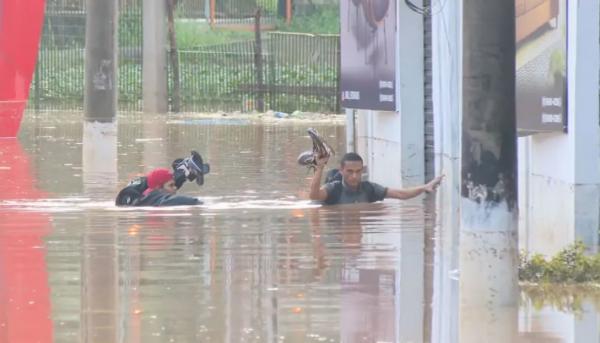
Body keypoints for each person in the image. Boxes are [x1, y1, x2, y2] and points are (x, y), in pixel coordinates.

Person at [309, 152, 444, 205]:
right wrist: (319, 168)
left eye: (358, 171)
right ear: (341, 171)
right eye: (349, 171)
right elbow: (314, 196)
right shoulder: (334, 188)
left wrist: (424, 187)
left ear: (362, 170)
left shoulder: (369, 189)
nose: (354, 176)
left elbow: (400, 194)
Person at [115, 151, 209, 206]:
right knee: (165, 187)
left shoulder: (152, 188)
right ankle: (184, 169)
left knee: (166, 185)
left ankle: (184, 169)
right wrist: (197, 203)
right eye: (172, 185)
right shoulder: (144, 197)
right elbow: (168, 200)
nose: (176, 188)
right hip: (134, 195)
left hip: (149, 185)